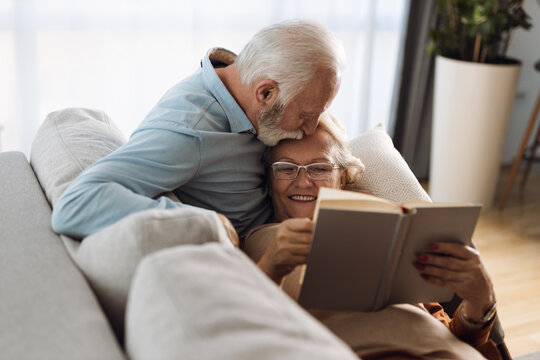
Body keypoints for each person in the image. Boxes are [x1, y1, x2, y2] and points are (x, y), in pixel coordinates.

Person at [51, 19, 345, 243]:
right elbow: (76, 204)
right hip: (264, 256)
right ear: (265, 93)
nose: (311, 127)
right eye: (306, 115)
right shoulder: (189, 132)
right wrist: (202, 222)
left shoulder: (248, 86)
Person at [243, 112, 501, 360]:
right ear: (268, 178)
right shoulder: (256, 242)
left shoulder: (390, 236)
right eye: (286, 168)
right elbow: (238, 335)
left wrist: (481, 301)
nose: (302, 182)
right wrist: (273, 267)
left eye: (319, 168)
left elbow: (446, 335)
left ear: (343, 178)